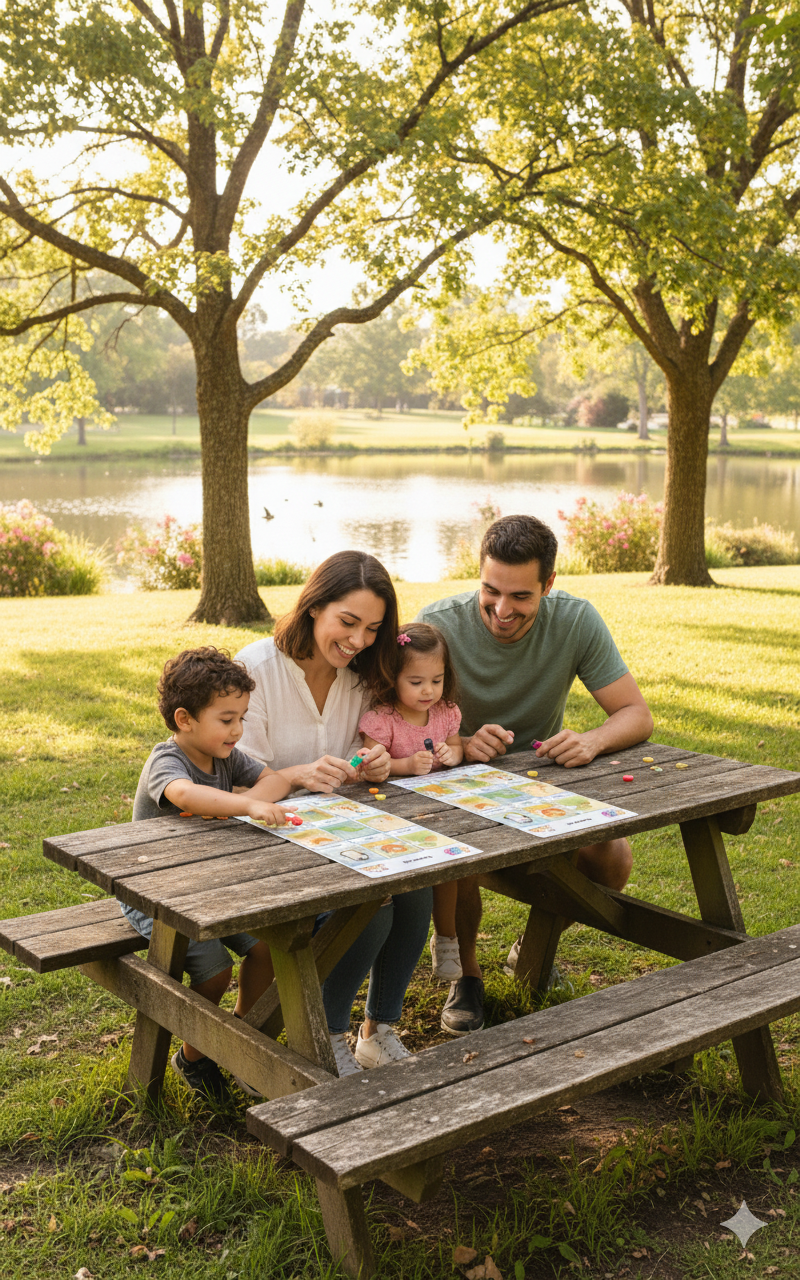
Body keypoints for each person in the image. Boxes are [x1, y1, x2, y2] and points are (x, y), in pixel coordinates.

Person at [416, 514, 654, 1036]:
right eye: (491, 591)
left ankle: (534, 945)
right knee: (456, 853)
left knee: (613, 859)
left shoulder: (575, 620)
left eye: (520, 596)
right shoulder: (438, 625)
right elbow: (404, 724)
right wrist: (461, 743)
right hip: (455, 786)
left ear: (548, 585)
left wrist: (592, 740)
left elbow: (636, 714)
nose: (502, 610)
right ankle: (468, 976)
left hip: (541, 788)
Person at [236, 550, 432, 1076]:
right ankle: (325, 1036)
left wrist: (373, 763)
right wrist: (297, 775)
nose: (359, 640)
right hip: (262, 835)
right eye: (348, 622)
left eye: (372, 629)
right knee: (372, 907)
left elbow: (357, 756)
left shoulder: (360, 678)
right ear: (313, 606)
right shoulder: (255, 670)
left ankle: (378, 1031)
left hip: (333, 831)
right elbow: (236, 780)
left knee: (419, 884)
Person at [121, 646, 291, 1101]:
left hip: (208, 889)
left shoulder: (226, 757)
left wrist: (253, 796)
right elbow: (185, 795)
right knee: (215, 972)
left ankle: (242, 1038)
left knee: (267, 948)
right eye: (227, 719)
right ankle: (195, 1056)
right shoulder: (167, 761)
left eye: (242, 718)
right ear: (185, 719)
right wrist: (248, 803)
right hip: (154, 894)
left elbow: (276, 780)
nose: (237, 730)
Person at [359, 621, 465, 982]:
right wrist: (404, 765)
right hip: (393, 815)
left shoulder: (446, 712)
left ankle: (447, 937)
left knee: (450, 868)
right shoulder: (382, 719)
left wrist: (453, 754)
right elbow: (370, 764)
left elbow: (458, 745)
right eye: (416, 682)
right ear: (393, 678)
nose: (428, 691)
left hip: (440, 810)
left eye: (436, 680)